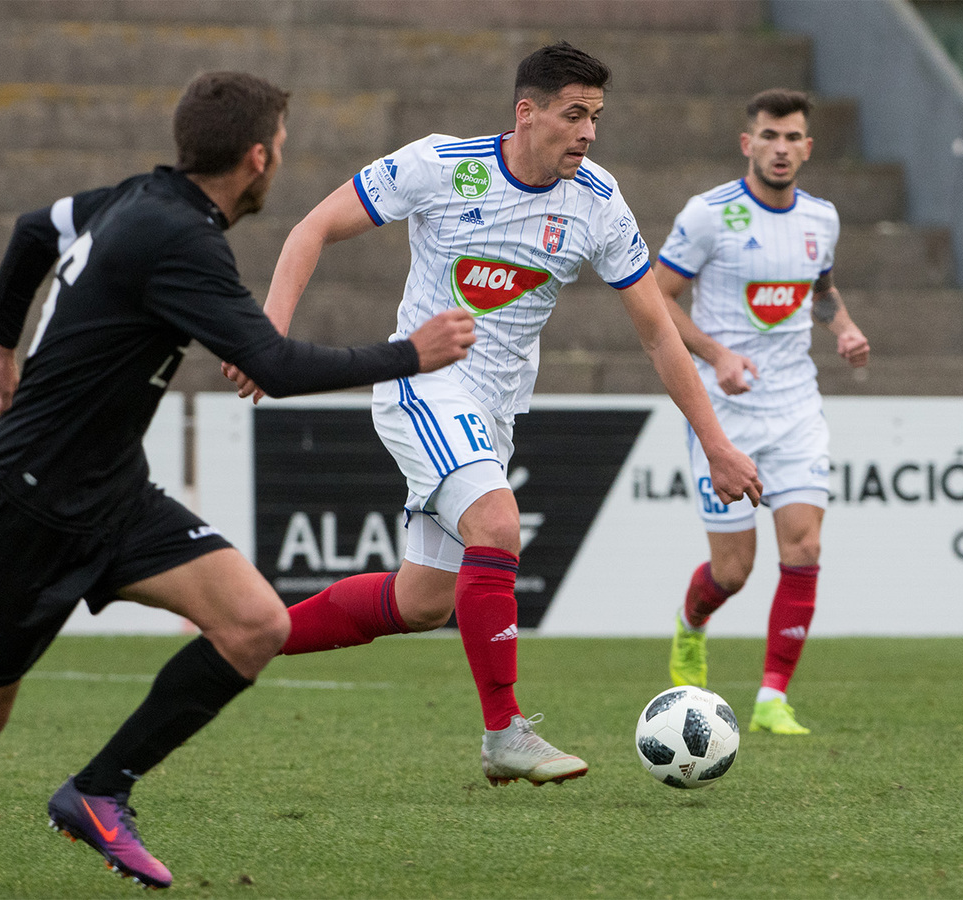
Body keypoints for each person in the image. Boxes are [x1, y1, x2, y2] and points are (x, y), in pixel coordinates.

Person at [0, 71, 476, 893]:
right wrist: (410, 353)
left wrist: (0, 337)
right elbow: (274, 366)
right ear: (256, 158)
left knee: (254, 624)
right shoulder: (178, 238)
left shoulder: (137, 199)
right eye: (280, 147)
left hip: (112, 497)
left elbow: (35, 229)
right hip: (22, 508)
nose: (280, 161)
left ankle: (99, 791)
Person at [224, 41, 763, 786]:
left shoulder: (597, 202)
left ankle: (246, 634)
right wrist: (269, 339)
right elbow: (310, 228)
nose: (588, 132)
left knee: (420, 602)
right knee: (498, 524)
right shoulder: (442, 166)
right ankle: (505, 732)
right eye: (574, 115)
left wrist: (716, 442)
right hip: (421, 384)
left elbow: (657, 334)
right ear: (527, 112)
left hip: (494, 413)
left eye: (596, 117)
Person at [654, 89, 868, 735]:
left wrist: (844, 328)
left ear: (808, 147)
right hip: (726, 412)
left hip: (796, 404)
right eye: (769, 136)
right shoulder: (709, 214)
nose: (781, 148)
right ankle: (691, 623)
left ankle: (773, 698)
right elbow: (656, 299)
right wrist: (716, 354)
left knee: (804, 546)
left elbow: (821, 291)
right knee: (734, 570)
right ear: (748, 144)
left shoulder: (822, 219)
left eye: (793, 137)